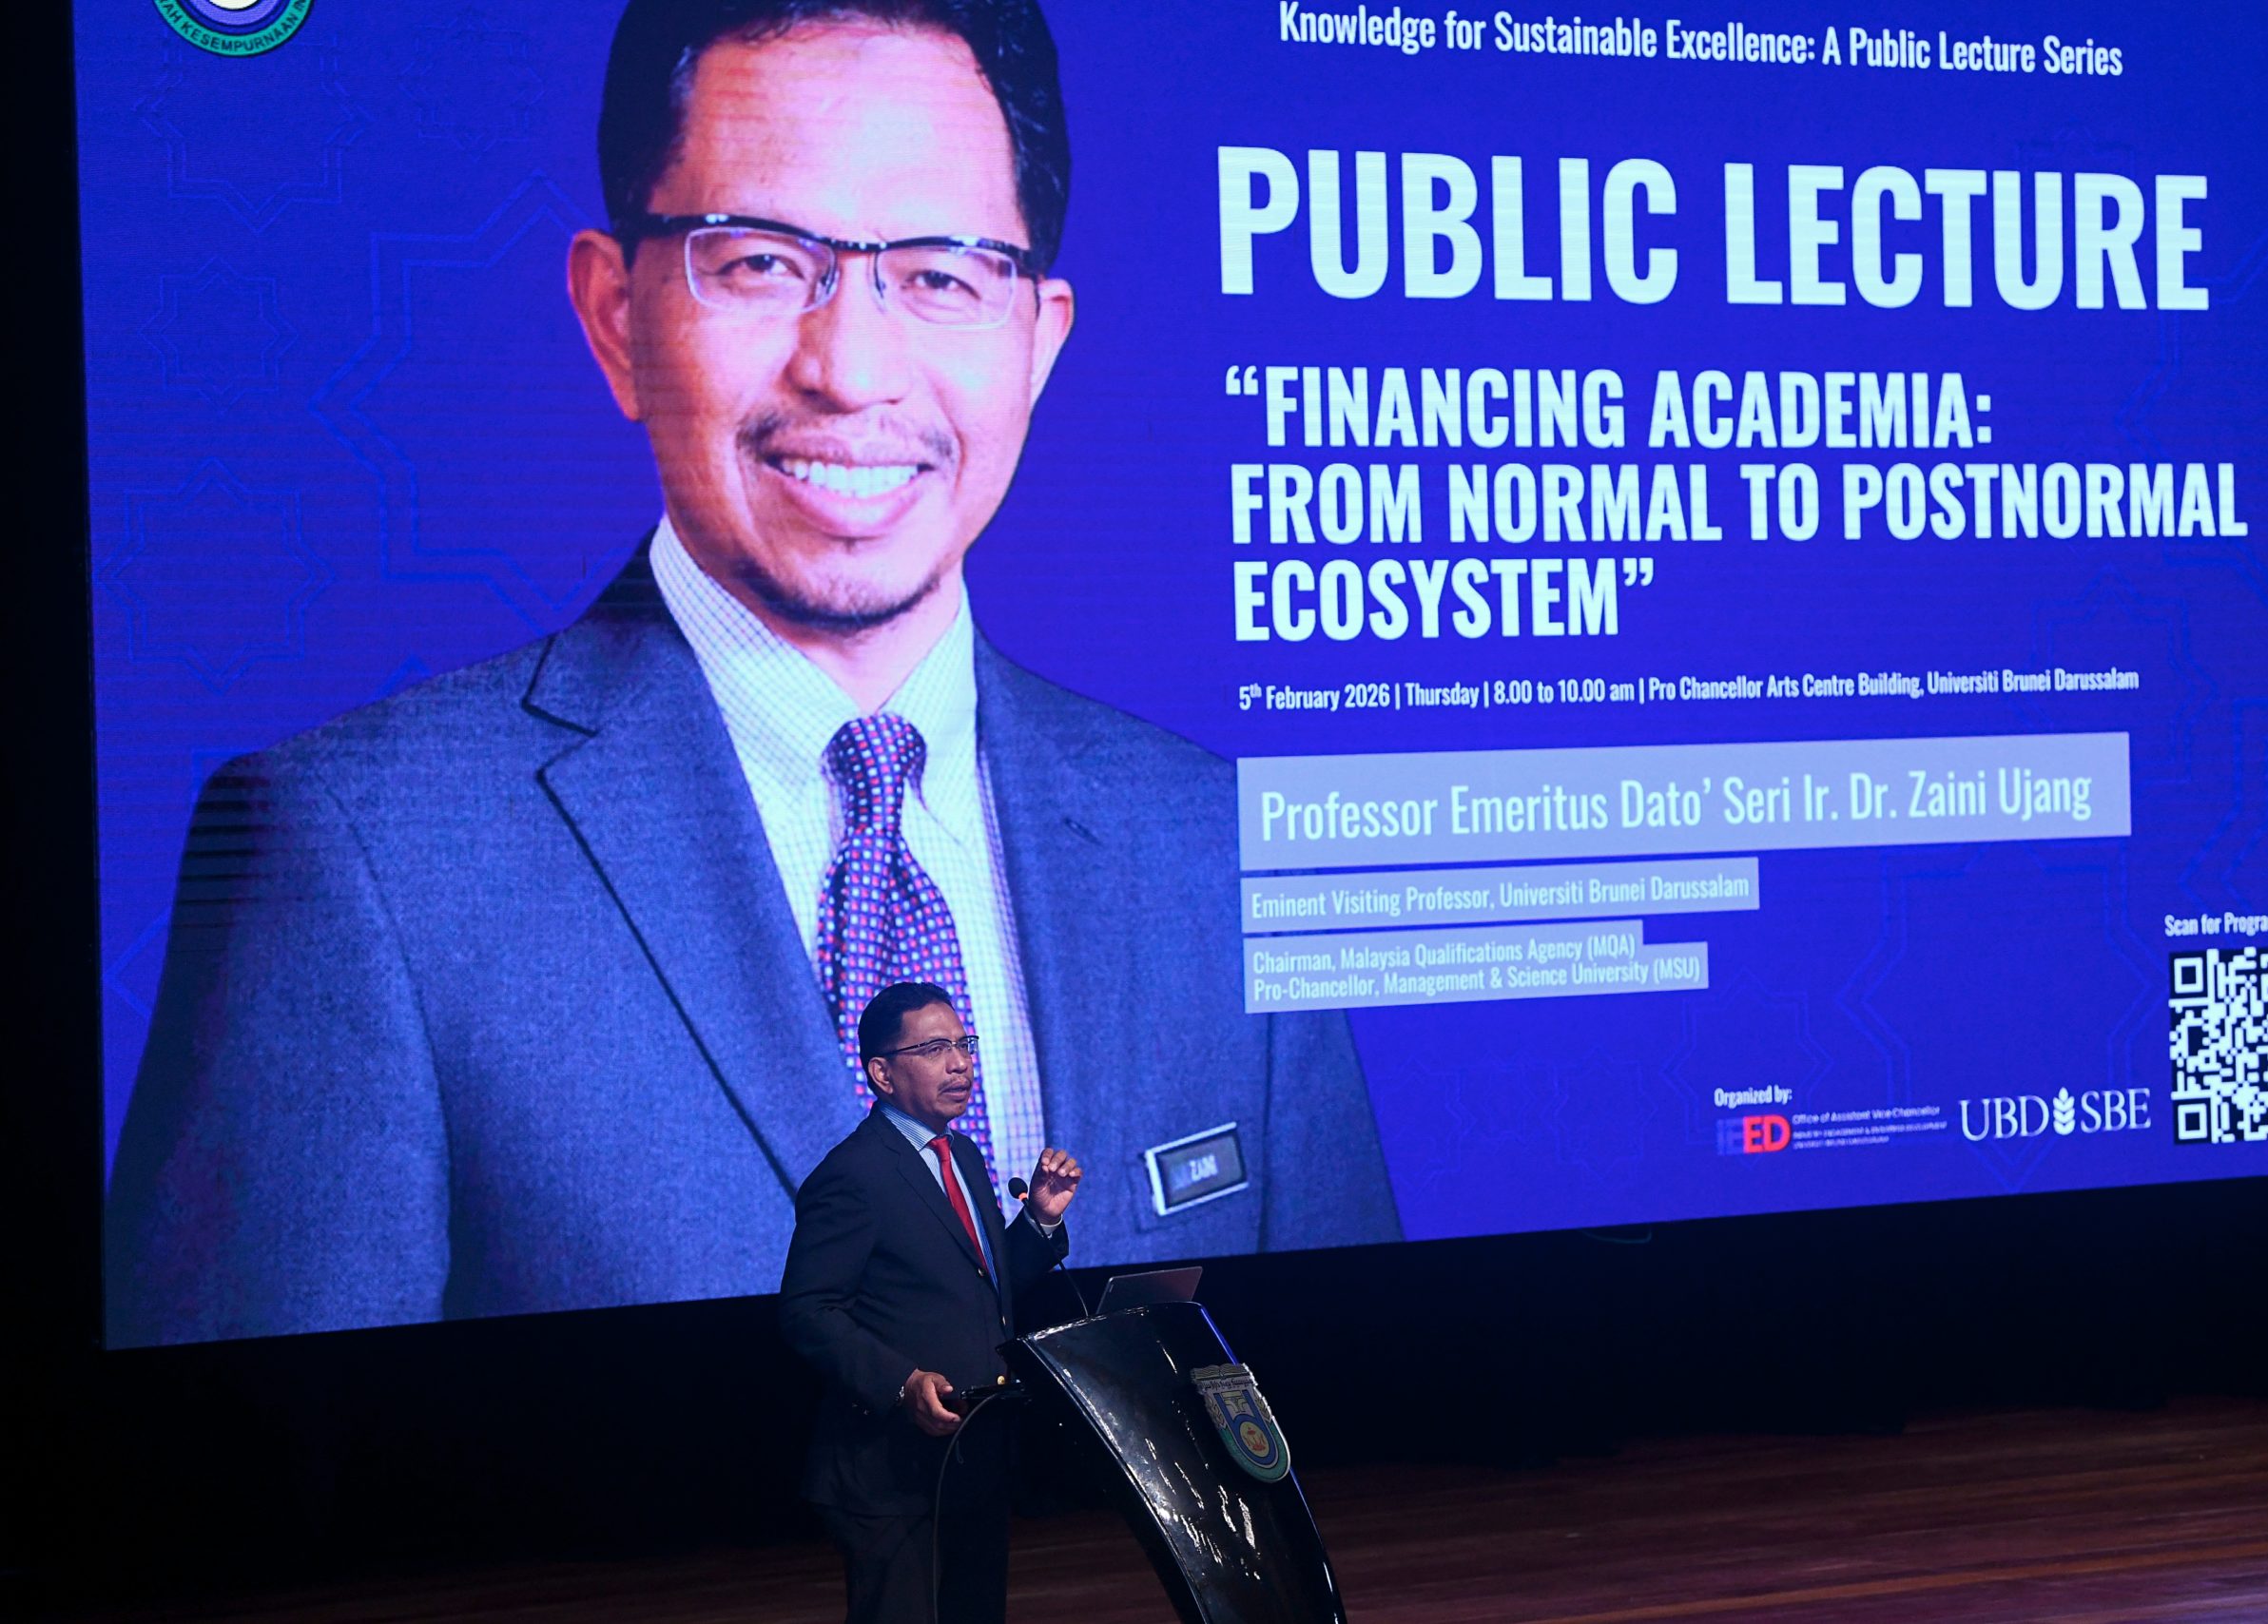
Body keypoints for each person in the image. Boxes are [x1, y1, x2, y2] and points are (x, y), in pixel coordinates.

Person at [105, 0, 1399, 1348]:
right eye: (762, 262)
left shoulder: (1214, 850)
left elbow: (1344, 1397)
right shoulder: (361, 855)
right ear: (615, 315)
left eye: (941, 275)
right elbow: (260, 1450)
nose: (849, 368)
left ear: (1039, 338)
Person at [780, 981, 1079, 1624]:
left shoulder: (962, 1154)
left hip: (974, 1453)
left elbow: (980, 1283)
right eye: (935, 1049)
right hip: (891, 1473)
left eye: (964, 1044)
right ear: (882, 1074)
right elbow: (809, 1310)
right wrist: (902, 1382)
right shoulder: (852, 1176)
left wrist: (1040, 1222)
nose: (960, 1064)